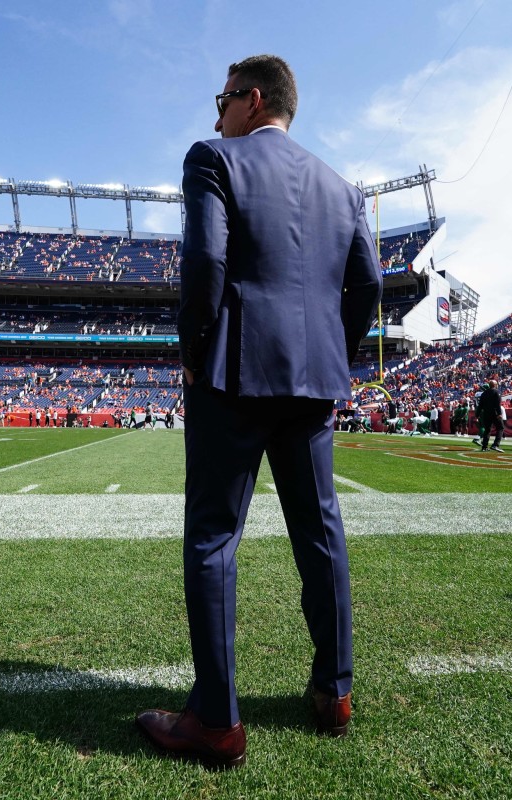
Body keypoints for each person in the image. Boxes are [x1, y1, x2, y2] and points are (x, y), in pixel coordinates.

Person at [137, 54, 382, 769]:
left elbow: (206, 261)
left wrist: (193, 348)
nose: (215, 117)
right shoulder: (342, 187)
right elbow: (366, 284)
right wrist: (333, 351)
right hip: (313, 380)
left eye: (221, 100)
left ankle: (217, 722)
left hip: (233, 373)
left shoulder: (213, 157)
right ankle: (334, 694)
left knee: (214, 539)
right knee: (321, 533)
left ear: (250, 99)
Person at [476, 380, 503, 452]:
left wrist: (477, 415)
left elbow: (480, 405)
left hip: (486, 413)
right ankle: (495, 445)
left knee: (487, 430)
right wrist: (499, 413)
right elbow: (497, 404)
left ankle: (484, 447)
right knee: (500, 428)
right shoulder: (496, 392)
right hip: (494, 413)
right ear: (495, 385)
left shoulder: (484, 393)